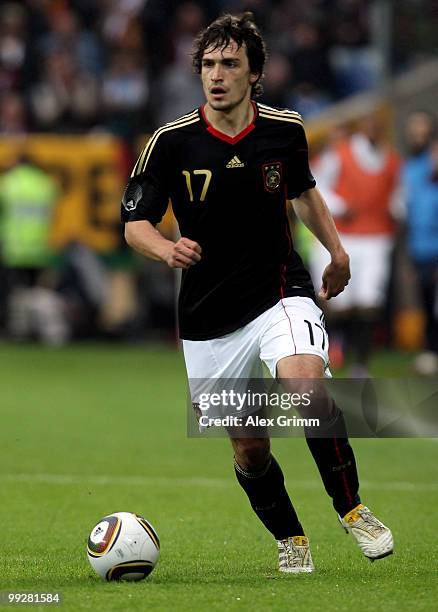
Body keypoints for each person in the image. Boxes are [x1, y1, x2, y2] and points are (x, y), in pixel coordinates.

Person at [122, 13, 393, 573]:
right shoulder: (169, 142)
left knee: (306, 388)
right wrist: (165, 249)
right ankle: (291, 538)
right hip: (206, 316)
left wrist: (337, 252)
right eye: (208, 64)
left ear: (255, 74)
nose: (216, 75)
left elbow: (304, 193)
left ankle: (353, 509)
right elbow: (134, 224)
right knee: (249, 447)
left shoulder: (285, 130)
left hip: (279, 292)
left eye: (229, 64)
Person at [310, 115, 402, 375]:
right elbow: (314, 184)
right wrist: (340, 206)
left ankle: (361, 362)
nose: (373, 130)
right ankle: (334, 346)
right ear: (360, 129)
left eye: (378, 126)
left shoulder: (392, 160)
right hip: (344, 235)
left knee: (370, 299)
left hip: (377, 237)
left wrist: (397, 209)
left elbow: (397, 194)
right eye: (368, 125)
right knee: (340, 302)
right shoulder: (340, 155)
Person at [403, 110, 438, 375]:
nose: (418, 135)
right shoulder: (409, 169)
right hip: (420, 247)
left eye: (422, 130)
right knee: (426, 300)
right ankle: (430, 349)